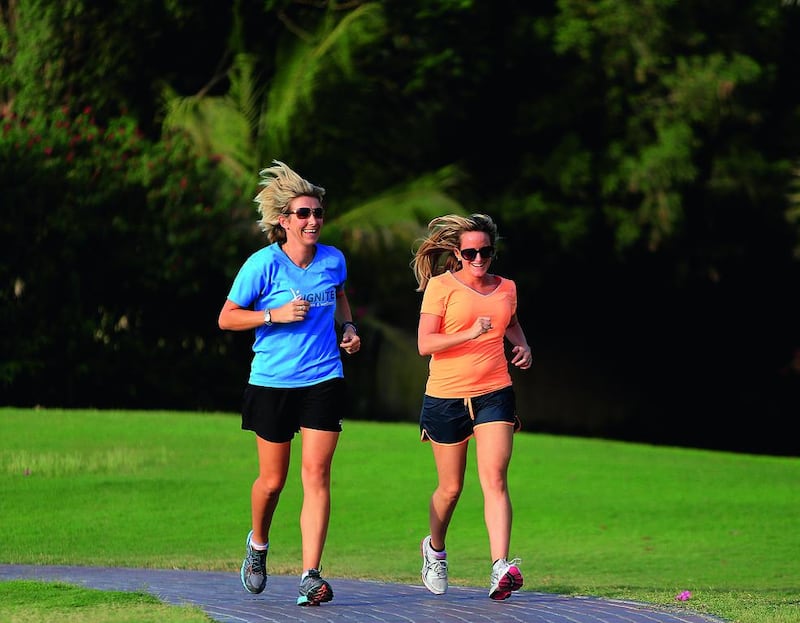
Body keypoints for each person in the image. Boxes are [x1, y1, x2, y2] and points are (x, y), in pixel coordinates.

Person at [218, 160, 361, 607]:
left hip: (323, 378)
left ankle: (310, 575)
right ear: (284, 221)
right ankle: (258, 545)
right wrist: (272, 315)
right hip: (272, 382)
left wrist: (349, 329)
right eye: (304, 214)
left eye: (318, 213)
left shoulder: (333, 259)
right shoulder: (263, 265)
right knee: (273, 481)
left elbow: (338, 295)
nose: (313, 220)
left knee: (317, 475)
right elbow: (226, 318)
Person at [410, 213, 532, 600]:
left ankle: (500, 567)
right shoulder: (441, 288)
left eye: (485, 251)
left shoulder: (506, 288)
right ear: (458, 254)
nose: (478, 259)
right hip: (446, 397)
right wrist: (469, 333)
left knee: (495, 478)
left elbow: (509, 321)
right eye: (470, 253)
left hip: (495, 391)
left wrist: (522, 344)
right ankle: (435, 548)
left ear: (493, 251)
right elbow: (425, 344)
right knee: (451, 488)